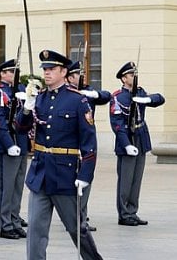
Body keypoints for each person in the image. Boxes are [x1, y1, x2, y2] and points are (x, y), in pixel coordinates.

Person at [22, 50, 103, 260]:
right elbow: (21, 129)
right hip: (40, 173)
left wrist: (85, 175)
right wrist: (27, 107)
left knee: (77, 228)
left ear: (63, 72)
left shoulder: (77, 101)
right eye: (45, 70)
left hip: (64, 174)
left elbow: (89, 142)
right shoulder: (38, 98)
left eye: (51, 69)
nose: (47, 73)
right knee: (35, 231)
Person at [110, 61, 165, 226]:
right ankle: (124, 214)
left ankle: (132, 211)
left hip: (141, 138)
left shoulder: (140, 92)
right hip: (127, 139)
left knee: (136, 179)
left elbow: (159, 99)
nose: (134, 78)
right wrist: (126, 144)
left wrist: (146, 99)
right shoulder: (118, 97)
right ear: (123, 78)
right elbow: (117, 124)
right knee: (126, 180)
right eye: (131, 75)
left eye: (135, 75)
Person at [66, 61, 111, 231]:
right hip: (72, 141)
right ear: (70, 77)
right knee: (73, 180)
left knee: (86, 177)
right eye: (78, 74)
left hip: (87, 140)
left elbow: (107, 96)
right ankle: (75, 218)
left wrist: (94, 95)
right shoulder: (68, 93)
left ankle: (82, 216)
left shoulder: (87, 91)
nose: (82, 77)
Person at [0, 59, 29, 240]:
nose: (13, 75)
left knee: (18, 185)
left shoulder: (20, 91)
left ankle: (15, 220)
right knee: (7, 186)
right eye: (10, 72)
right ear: (3, 74)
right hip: (7, 145)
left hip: (21, 141)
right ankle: (5, 224)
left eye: (15, 72)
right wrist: (9, 144)